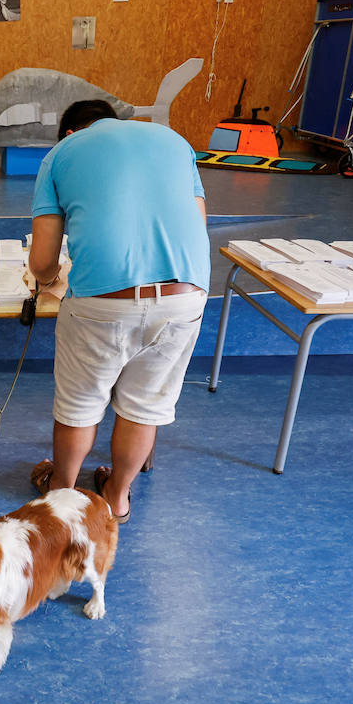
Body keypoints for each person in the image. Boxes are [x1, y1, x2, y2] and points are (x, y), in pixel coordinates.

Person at [26, 99, 209, 523]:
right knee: (143, 407)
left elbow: (42, 261)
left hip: (101, 304)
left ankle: (61, 495)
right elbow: (197, 225)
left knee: (79, 406)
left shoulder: (61, 154)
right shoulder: (175, 141)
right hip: (186, 297)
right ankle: (117, 497)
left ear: (71, 132)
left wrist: (51, 276)